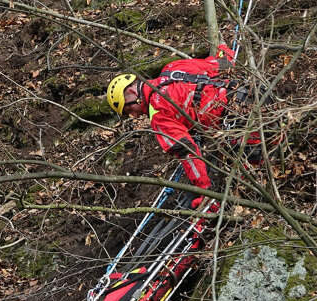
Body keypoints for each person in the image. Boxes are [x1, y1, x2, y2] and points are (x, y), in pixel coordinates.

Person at [106, 45, 256, 205]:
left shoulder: (158, 114)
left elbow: (188, 153)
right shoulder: (172, 68)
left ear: (133, 94)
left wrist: (205, 192)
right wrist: (223, 50)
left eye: (129, 109)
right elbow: (221, 64)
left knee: (243, 185)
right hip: (253, 93)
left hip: (244, 130)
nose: (134, 115)